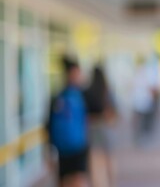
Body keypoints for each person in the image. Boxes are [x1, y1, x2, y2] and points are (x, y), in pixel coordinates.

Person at [46, 56, 90, 187]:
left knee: (73, 180)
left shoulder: (59, 96)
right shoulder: (78, 95)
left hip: (74, 147)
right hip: (70, 148)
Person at [84, 65, 117, 187]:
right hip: (106, 130)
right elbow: (114, 114)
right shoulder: (107, 92)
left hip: (92, 131)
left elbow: (85, 115)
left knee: (96, 163)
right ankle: (110, 183)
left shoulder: (88, 92)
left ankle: (99, 184)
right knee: (109, 161)